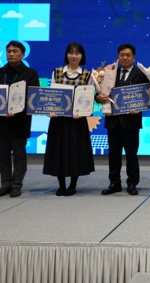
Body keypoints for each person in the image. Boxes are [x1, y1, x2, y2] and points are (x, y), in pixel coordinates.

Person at [0, 41, 40, 198]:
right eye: (9, 51)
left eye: (15, 51)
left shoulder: (30, 74)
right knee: (2, 157)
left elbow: (34, 98)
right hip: (0, 122)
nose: (11, 54)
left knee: (19, 155)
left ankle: (17, 185)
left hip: (20, 121)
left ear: (23, 54)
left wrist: (18, 110)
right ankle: (5, 184)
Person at [43, 43, 95, 196]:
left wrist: (82, 112)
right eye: (71, 53)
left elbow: (88, 98)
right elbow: (52, 95)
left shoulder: (87, 75)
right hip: (59, 120)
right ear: (66, 55)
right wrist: (51, 110)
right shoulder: (57, 72)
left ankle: (72, 185)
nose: (74, 56)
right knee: (58, 151)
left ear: (82, 56)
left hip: (77, 121)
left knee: (75, 152)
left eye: (77, 53)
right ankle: (61, 185)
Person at [97, 43, 149, 196]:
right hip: (113, 121)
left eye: (128, 55)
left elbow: (147, 96)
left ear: (134, 57)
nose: (125, 58)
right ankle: (114, 183)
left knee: (131, 155)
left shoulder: (141, 74)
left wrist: (139, 107)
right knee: (113, 155)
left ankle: (132, 183)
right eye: (122, 55)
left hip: (131, 122)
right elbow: (99, 93)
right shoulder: (109, 73)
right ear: (118, 57)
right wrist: (98, 98)